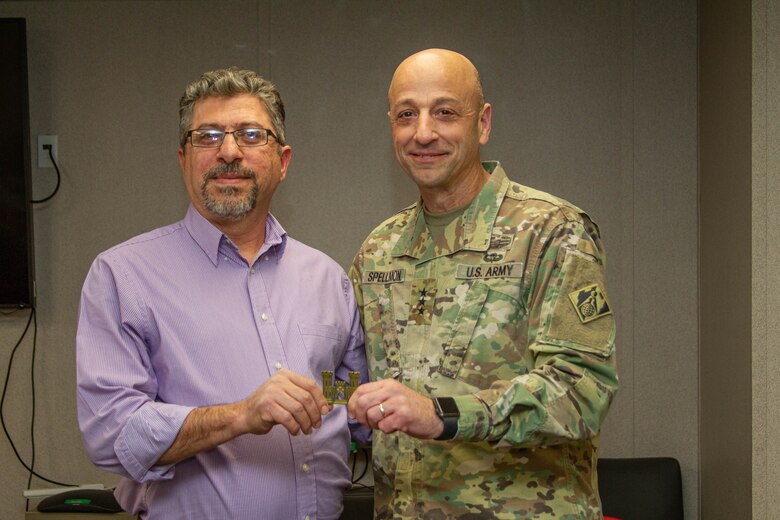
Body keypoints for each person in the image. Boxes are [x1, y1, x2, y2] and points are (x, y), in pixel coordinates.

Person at [76, 67, 366, 520]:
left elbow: (340, 390)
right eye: (208, 136)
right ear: (183, 158)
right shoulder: (123, 276)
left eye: (252, 135)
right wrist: (241, 415)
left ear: (283, 161)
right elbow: (112, 433)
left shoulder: (329, 279)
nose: (229, 151)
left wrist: (360, 401)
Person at [347, 49, 618, 519]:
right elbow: (355, 378)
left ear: (483, 123)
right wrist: (321, 393)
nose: (424, 132)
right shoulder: (379, 251)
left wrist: (443, 415)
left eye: (445, 112)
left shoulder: (551, 232)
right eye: (406, 114)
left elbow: (582, 390)